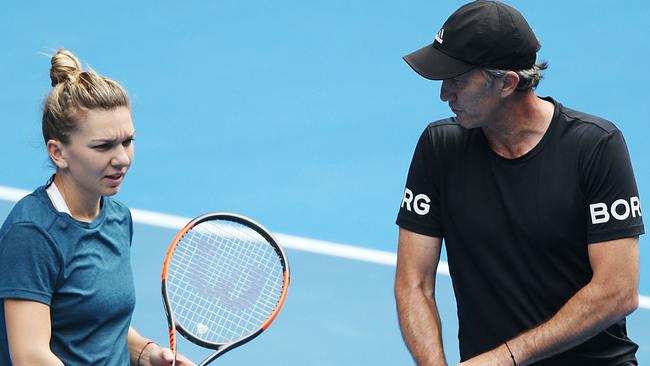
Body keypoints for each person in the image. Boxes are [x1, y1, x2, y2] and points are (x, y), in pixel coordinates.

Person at [394, 1, 644, 365]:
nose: (444, 94)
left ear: (508, 83)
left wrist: (503, 359)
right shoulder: (439, 148)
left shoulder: (595, 146)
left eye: (458, 80)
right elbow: (414, 283)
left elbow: (617, 292)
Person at [0, 49, 193, 365]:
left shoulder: (117, 218)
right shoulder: (32, 235)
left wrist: (146, 353)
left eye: (127, 141)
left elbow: (98, 323)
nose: (123, 159)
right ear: (58, 153)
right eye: (103, 146)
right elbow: (30, 356)